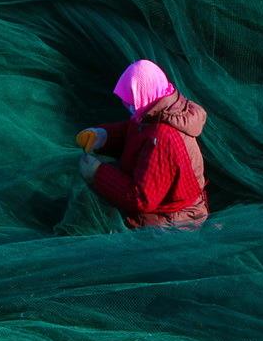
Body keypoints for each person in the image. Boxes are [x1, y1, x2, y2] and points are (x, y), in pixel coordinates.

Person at [75, 60, 209, 229]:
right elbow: (132, 132)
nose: (126, 105)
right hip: (158, 201)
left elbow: (141, 198)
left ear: (143, 97)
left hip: (174, 218)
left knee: (93, 222)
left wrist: (97, 173)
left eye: (130, 101)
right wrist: (103, 137)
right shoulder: (154, 111)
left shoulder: (162, 138)